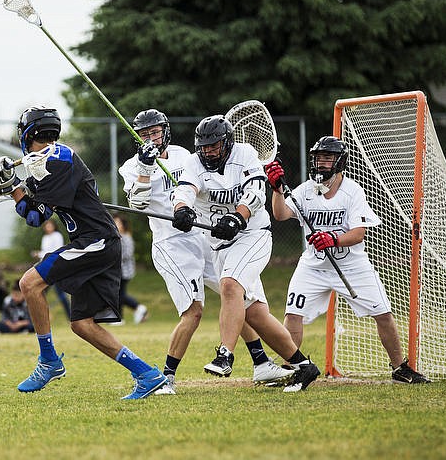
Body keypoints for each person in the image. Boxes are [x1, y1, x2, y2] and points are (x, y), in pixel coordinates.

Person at [0, 105, 167, 399]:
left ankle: (49, 361)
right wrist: (11, 184)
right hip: (94, 241)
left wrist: (11, 185)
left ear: (26, 134)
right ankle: (147, 374)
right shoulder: (51, 159)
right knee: (82, 324)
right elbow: (32, 202)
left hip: (95, 241)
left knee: (29, 283)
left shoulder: (58, 161)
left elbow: (35, 217)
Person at [119, 109, 293, 394]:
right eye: (144, 134)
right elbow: (138, 203)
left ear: (165, 131)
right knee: (194, 311)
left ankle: (261, 363)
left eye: (155, 132)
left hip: (204, 235)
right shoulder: (131, 166)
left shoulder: (184, 155)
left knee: (239, 298)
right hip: (171, 243)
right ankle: (166, 379)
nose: (151, 138)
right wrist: (145, 170)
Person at [171, 114, 321, 392]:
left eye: (214, 146)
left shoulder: (245, 154)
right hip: (220, 246)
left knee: (230, 286)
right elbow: (185, 190)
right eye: (203, 147)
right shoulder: (194, 163)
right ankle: (303, 366)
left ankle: (225, 355)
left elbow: (254, 191)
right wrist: (181, 209)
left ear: (226, 143)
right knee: (254, 313)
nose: (208, 152)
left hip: (253, 235)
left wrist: (238, 218)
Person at [265, 136, 430, 384]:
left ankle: (400, 368)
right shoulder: (305, 190)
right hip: (313, 266)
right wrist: (277, 190)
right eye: (318, 158)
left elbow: (358, 233)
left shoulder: (352, 191)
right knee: (293, 313)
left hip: (352, 265)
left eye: (327, 158)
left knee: (383, 313)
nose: (321, 163)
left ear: (339, 161)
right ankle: (291, 367)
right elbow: (280, 214)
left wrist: (333, 239)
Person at [112, 214, 148, 324]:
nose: (115, 225)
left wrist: (113, 256)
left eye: (118, 223)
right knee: (119, 294)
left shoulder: (126, 237)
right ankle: (138, 309)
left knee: (119, 295)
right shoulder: (118, 237)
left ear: (123, 225)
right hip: (119, 271)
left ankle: (124, 315)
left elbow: (127, 254)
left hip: (125, 271)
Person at [32, 220, 71, 319]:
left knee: (60, 293)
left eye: (50, 225)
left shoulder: (57, 236)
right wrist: (39, 254)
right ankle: (43, 315)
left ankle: (70, 316)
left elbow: (55, 251)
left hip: (54, 267)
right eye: (47, 226)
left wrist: (39, 254)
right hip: (45, 266)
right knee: (41, 291)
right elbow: (45, 252)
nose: (48, 227)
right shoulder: (45, 237)